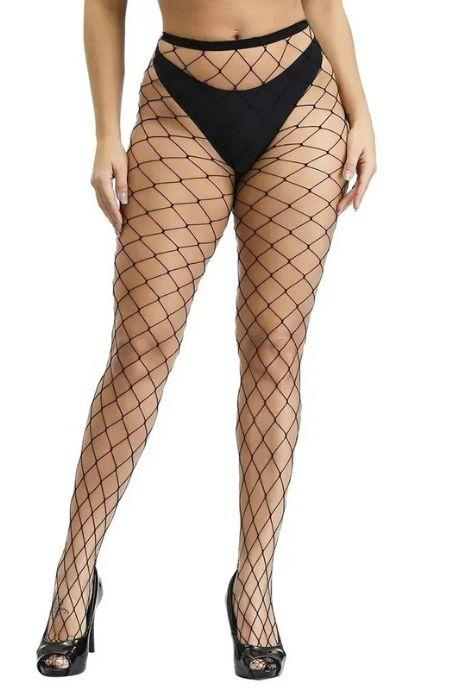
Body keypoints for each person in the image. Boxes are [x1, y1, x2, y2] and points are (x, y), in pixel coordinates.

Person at [36, 0, 376, 679]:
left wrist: (361, 111)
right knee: (140, 348)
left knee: (276, 350)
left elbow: (324, 3)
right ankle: (74, 574)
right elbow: (103, 5)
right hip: (180, 104)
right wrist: (105, 134)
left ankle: (254, 585)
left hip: (304, 101)